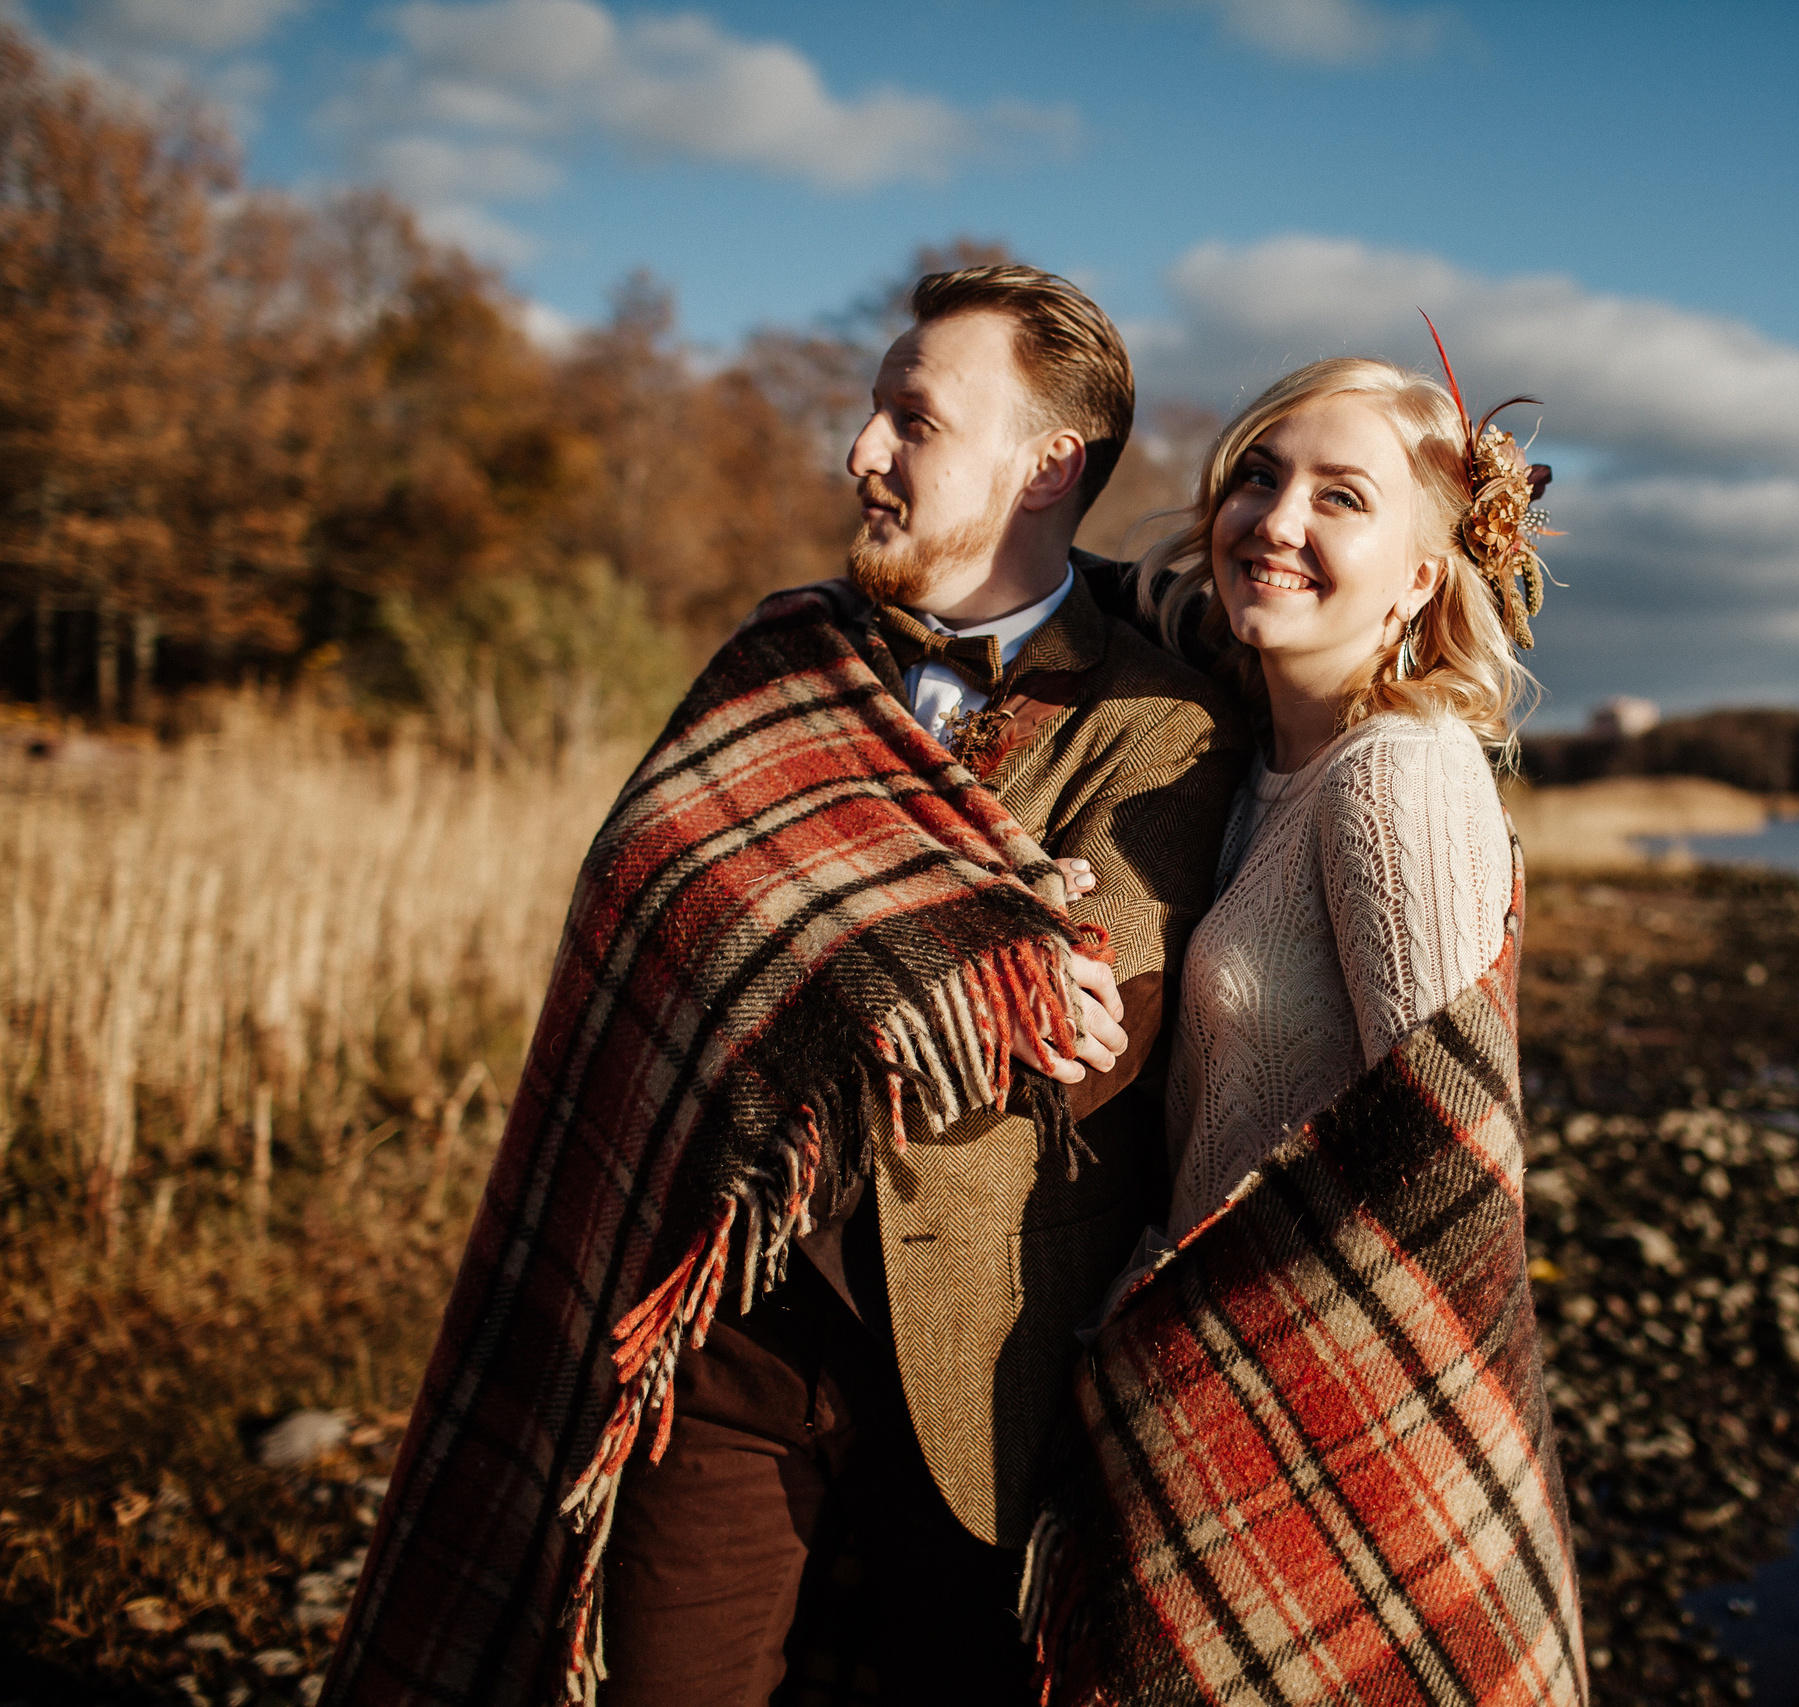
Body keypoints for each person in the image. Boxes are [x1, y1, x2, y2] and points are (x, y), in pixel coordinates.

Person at [323, 266, 1249, 1707]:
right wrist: (975, 934)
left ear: (1047, 465)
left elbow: (1092, 1039)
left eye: (913, 420)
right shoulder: (777, 659)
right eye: (871, 414)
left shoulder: (1158, 725)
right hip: (721, 1321)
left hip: (975, 1368)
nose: (860, 453)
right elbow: (645, 911)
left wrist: (925, 945)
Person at [1026, 355, 1588, 1705]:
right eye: (1259, 476)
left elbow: (1451, 1175)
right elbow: (1093, 590)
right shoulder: (1251, 768)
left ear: (1417, 579)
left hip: (1334, 1434)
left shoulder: (1399, 777)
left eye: (1342, 496)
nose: (1277, 520)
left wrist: (1189, 1336)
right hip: (1212, 1399)